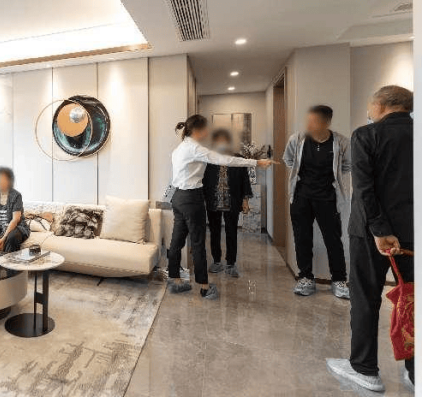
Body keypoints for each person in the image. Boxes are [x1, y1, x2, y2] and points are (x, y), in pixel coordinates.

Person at [327, 86, 414, 392]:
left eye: (370, 105)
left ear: (382, 105)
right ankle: (415, 371)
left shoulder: (367, 135)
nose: (368, 111)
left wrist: (379, 229)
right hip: (412, 233)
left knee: (365, 297)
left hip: (369, 233)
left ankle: (364, 368)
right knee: (412, 298)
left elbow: (364, 188)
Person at [168, 115, 273, 300]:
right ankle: (204, 287)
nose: (207, 133)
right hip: (192, 199)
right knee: (198, 243)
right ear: (198, 130)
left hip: (178, 197)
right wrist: (256, 162)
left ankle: (175, 281)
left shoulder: (179, 148)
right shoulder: (195, 148)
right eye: (206, 129)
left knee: (176, 241)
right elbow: (226, 161)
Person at [283, 105, 351, 299]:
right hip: (301, 197)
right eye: (309, 120)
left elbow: (347, 165)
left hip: (328, 198)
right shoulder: (297, 139)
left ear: (327, 122)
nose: (309, 125)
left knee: (333, 240)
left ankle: (338, 280)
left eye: (314, 121)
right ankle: (305, 278)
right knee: (302, 238)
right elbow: (288, 160)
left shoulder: (341, 142)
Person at [203, 129, 252, 278]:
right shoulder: (209, 159)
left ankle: (231, 263)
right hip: (213, 200)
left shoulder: (238, 158)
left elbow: (245, 180)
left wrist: (245, 200)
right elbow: (203, 179)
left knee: (232, 232)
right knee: (214, 232)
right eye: (218, 140)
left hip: (232, 200)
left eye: (224, 140)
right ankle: (216, 261)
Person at [0, 167, 30, 253]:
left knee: (11, 238)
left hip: (16, 227)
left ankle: (8, 261)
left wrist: (4, 238)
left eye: (2, 179)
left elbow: (15, 220)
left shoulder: (16, 196)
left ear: (9, 181)